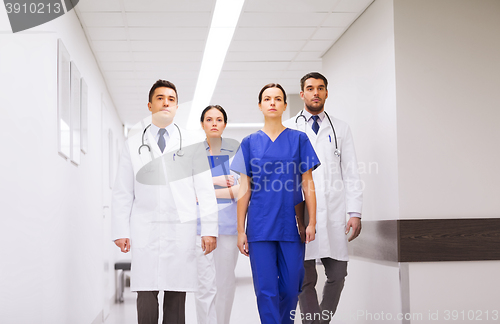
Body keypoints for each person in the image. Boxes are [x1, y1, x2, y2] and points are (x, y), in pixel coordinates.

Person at [112, 79, 218, 324]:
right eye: (160, 98)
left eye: (171, 99)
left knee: (176, 296)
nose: (166, 103)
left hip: (180, 229)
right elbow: (123, 190)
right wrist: (120, 230)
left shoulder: (192, 142)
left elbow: (204, 190)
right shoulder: (133, 143)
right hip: (144, 228)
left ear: (177, 106)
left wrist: (210, 230)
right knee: (146, 296)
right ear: (150, 105)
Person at [231, 83, 320, 324]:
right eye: (267, 99)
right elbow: (244, 189)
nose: (272, 102)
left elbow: (308, 183)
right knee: (266, 291)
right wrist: (240, 230)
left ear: (284, 105)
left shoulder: (298, 140)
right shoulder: (249, 143)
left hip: (291, 225)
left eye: (277, 99)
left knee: (292, 288)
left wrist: (311, 222)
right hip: (260, 226)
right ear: (260, 106)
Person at [283, 72, 363, 324]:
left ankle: (319, 321)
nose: (315, 92)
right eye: (310, 88)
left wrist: (355, 212)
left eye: (320, 88)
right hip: (302, 211)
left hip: (335, 210)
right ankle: (313, 322)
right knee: (304, 277)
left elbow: (351, 172)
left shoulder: (340, 128)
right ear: (302, 93)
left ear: (326, 93)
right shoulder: (289, 127)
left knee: (338, 273)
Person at [195, 105, 240, 324]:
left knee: (225, 284)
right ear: (202, 124)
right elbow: (186, 191)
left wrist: (203, 191)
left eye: (219, 119)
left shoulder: (235, 152)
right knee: (204, 285)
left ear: (225, 124)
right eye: (209, 119)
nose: (214, 123)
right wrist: (217, 182)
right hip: (201, 228)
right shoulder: (193, 154)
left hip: (228, 227)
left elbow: (240, 190)